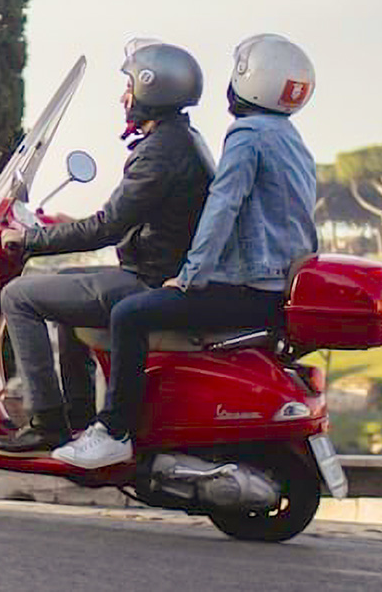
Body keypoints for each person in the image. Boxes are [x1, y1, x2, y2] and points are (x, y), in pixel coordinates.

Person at [53, 33, 317, 470]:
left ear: (250, 83)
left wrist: (191, 277)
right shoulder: (290, 139)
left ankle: (114, 431)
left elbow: (223, 208)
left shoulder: (246, 136)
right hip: (276, 288)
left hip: (249, 288)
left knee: (129, 314)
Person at [0, 40, 214, 455]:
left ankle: (46, 421)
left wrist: (29, 240)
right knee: (66, 287)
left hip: (148, 282)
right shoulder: (181, 140)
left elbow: (107, 227)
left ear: (151, 89)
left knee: (18, 295)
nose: (123, 97)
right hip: (158, 272)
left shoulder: (159, 152)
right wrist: (59, 229)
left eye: (129, 85)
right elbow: (128, 219)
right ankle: (79, 417)